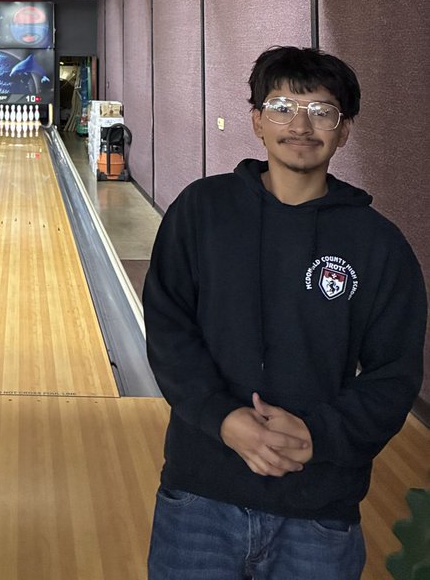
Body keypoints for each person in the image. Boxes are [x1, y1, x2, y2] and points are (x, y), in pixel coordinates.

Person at [143, 45, 426, 580]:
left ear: (343, 131)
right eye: (282, 107)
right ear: (256, 120)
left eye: (323, 112)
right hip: (201, 493)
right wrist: (223, 419)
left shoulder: (377, 244)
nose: (302, 125)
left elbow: (395, 373)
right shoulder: (202, 210)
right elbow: (168, 329)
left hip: (319, 507)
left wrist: (318, 435)